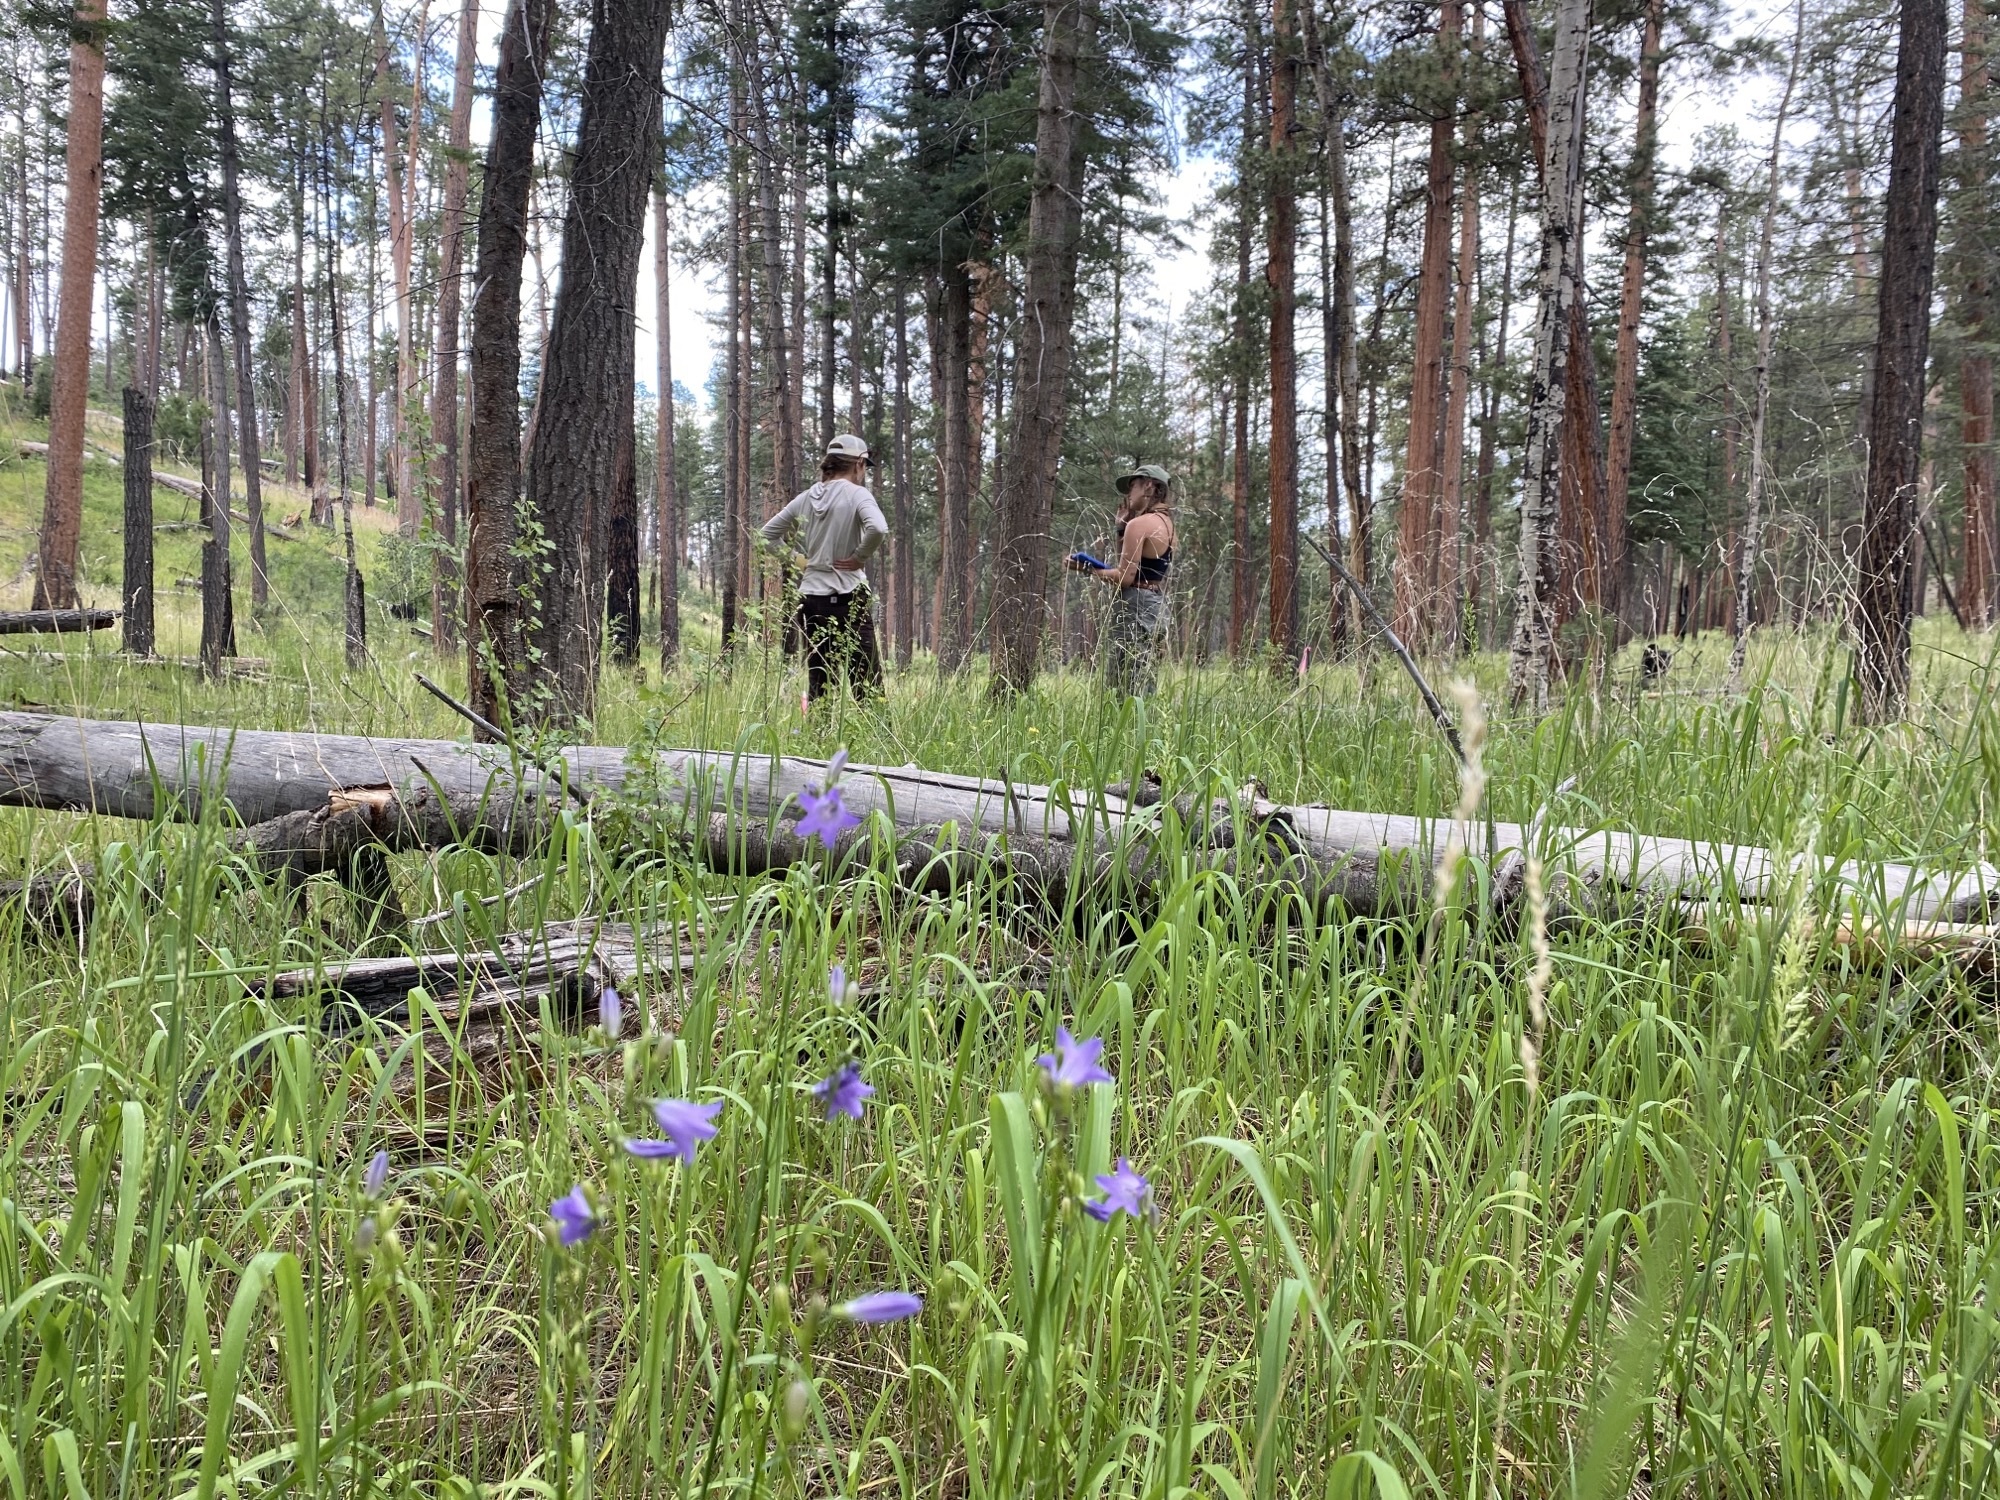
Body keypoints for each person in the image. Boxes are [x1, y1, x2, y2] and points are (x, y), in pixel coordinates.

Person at [760, 434, 889, 702]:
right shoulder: (858, 494)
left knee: (820, 681)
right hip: (849, 596)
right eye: (865, 466)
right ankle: (879, 741)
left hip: (812, 600)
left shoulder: (806, 498)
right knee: (867, 682)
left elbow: (766, 535)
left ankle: (818, 740)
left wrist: (799, 560)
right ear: (859, 463)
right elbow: (878, 528)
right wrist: (860, 556)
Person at [1067, 462, 1176, 697]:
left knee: (1123, 680)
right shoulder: (1167, 524)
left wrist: (1085, 568)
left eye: (1132, 486)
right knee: (1143, 677)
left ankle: (1125, 729)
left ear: (1148, 486)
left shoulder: (1140, 524)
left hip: (1135, 606)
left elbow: (1125, 578)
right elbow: (1134, 567)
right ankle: (1144, 729)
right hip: (1155, 605)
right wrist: (1121, 529)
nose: (1128, 494)